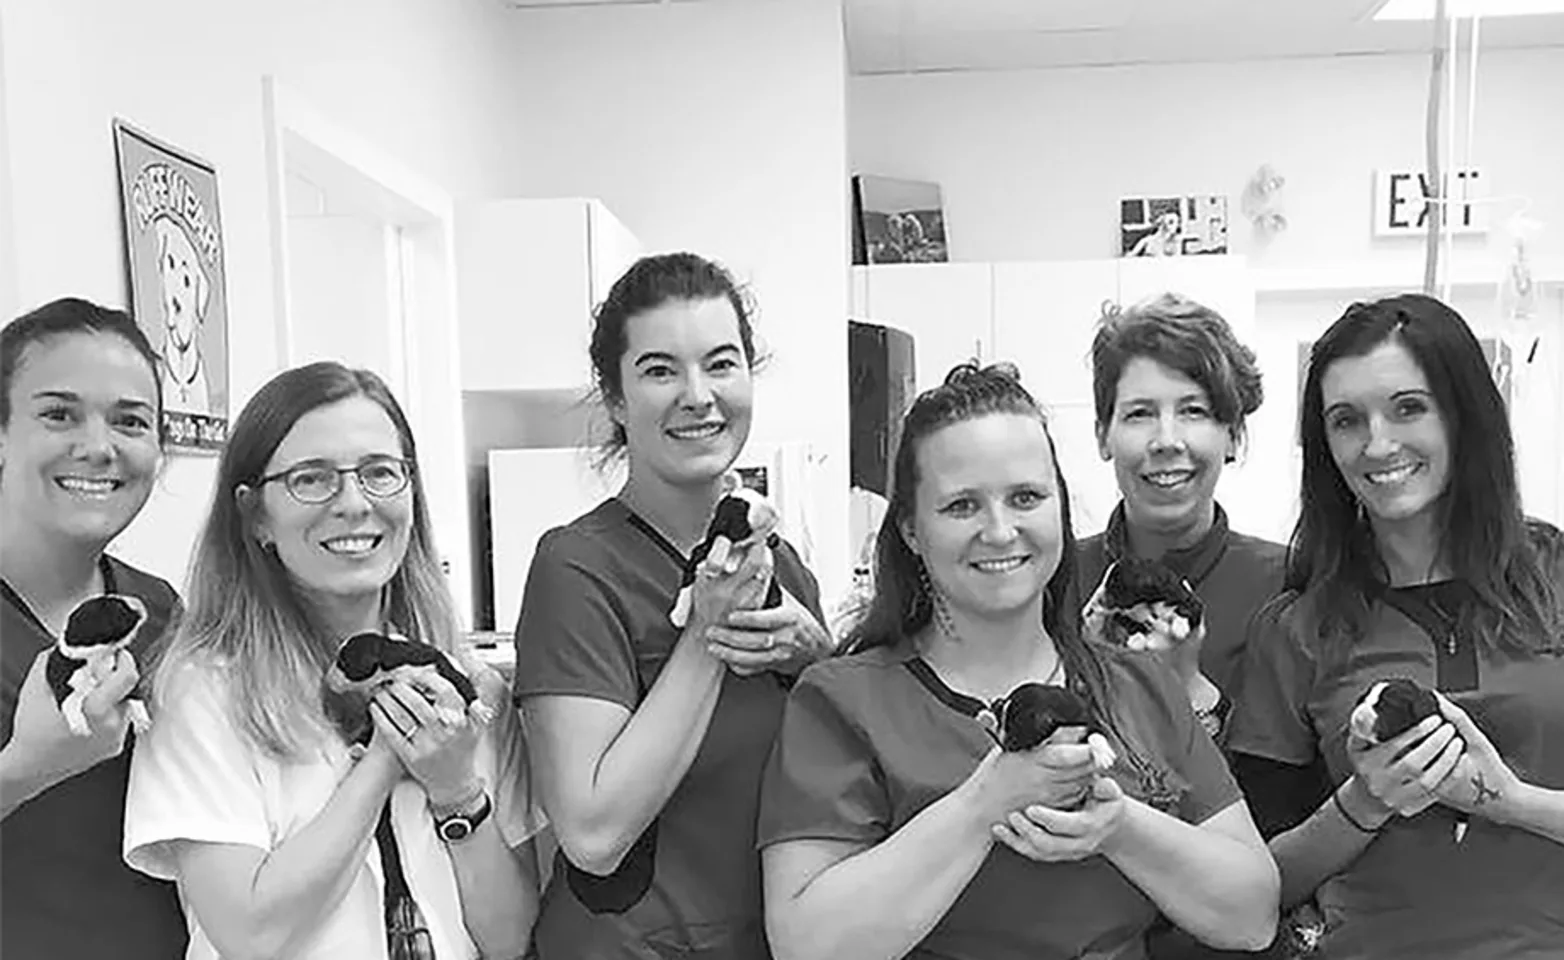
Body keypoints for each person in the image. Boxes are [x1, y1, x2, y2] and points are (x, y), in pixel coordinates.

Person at [759, 362, 1278, 960]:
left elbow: (1253, 914)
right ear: (910, 528)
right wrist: (985, 803)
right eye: (962, 506)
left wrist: (1122, 828)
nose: (1001, 531)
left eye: (1026, 497)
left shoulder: (1141, 684)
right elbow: (808, 945)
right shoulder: (843, 701)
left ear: (1059, 508)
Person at [124, 362, 542, 960]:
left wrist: (456, 790)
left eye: (379, 473)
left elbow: (509, 939)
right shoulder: (201, 691)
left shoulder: (464, 689)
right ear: (255, 516)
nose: (354, 504)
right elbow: (251, 935)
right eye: (311, 479)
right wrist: (381, 761)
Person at [512, 252, 835, 959]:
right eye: (660, 370)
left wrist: (820, 661)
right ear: (618, 399)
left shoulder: (781, 566)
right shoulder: (577, 568)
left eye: (721, 363)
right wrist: (706, 635)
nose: (698, 395)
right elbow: (593, 834)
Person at [1227, 294, 1564, 960]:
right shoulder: (1299, 627)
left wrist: (1510, 802)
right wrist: (1366, 801)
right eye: (1347, 421)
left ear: (1464, 414)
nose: (1378, 444)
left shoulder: (1555, 578)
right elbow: (1256, 886)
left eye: (1409, 408)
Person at [0, 298, 188, 958]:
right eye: (59, 414)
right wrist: (25, 769)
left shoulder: (160, 612)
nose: (99, 447)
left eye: (131, 421)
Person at [1077, 294, 1285, 743]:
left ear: (1232, 435)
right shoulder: (1052, 580)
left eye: (1194, 411)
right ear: (1102, 435)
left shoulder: (1290, 587)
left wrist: (1188, 685)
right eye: (1139, 414)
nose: (1167, 441)